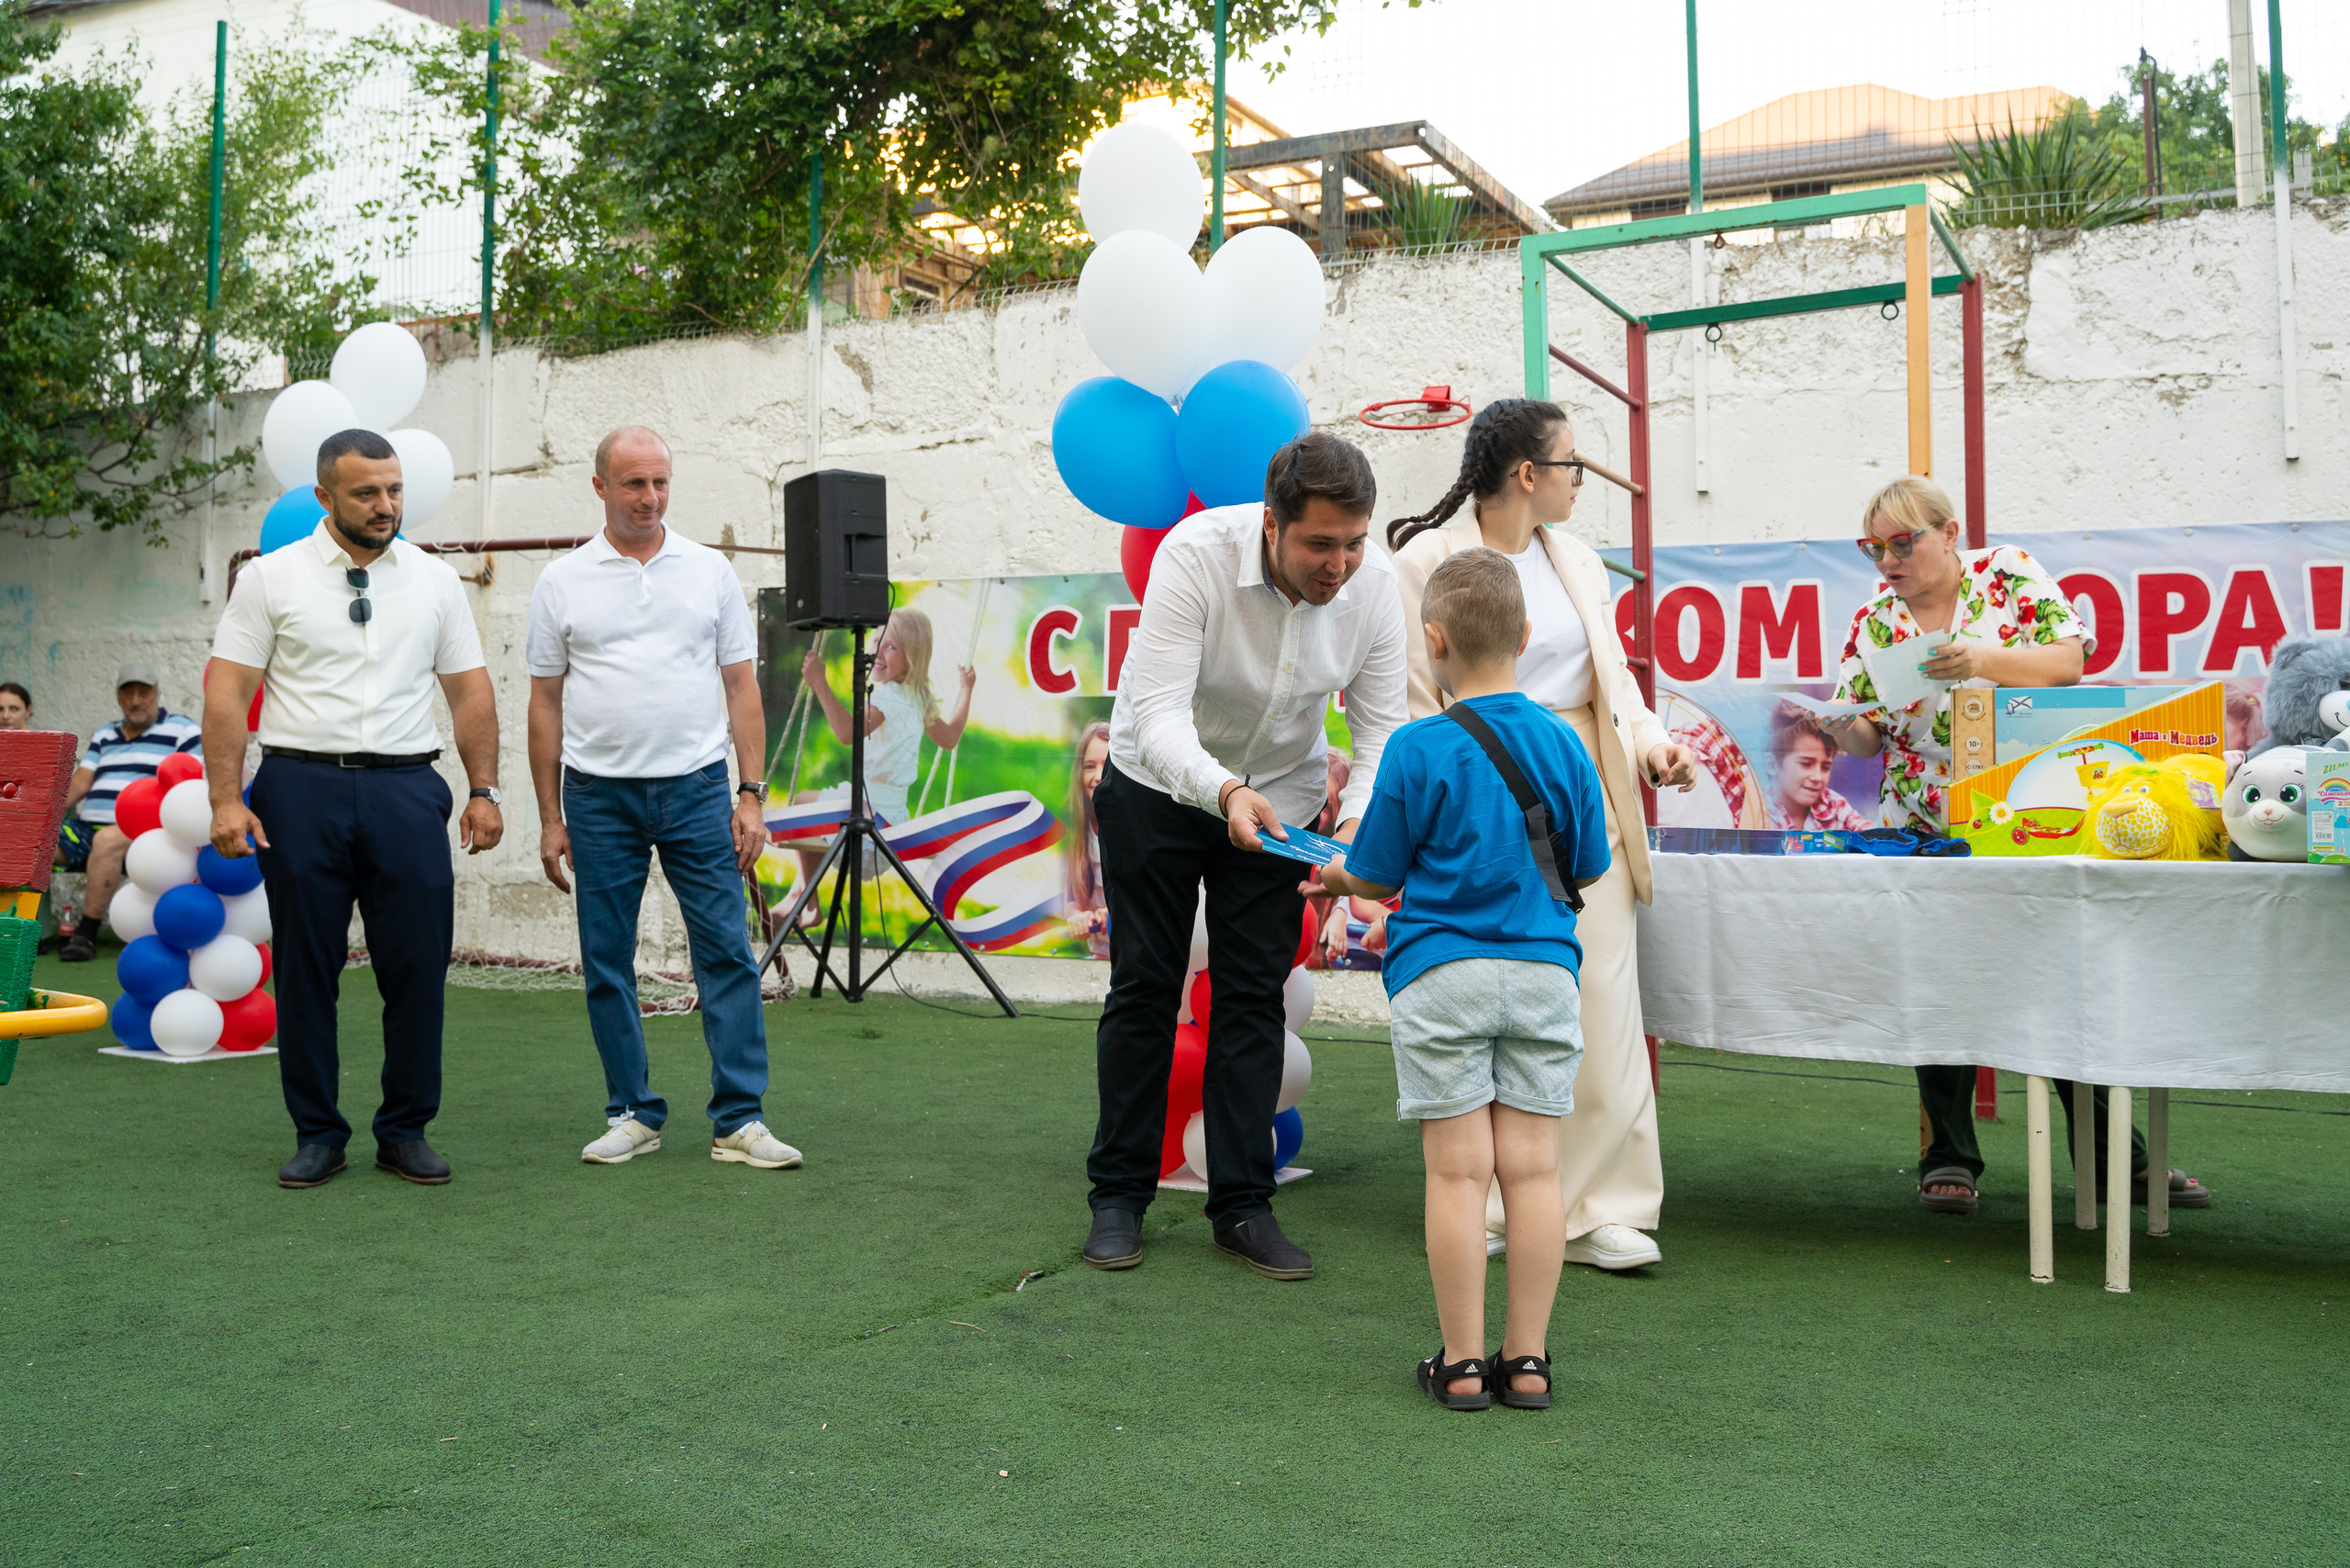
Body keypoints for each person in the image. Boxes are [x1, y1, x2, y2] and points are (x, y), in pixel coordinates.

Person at [1822, 475, 2210, 1215]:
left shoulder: (2008, 574)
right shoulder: (1875, 621)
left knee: (2065, 980)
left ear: (1949, 532)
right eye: (1875, 548)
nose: (1889, 561)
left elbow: (2068, 664)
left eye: (1904, 543)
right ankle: (1949, 1157)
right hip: (1928, 825)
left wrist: (1981, 660)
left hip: (2031, 812)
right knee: (1941, 982)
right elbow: (1869, 732)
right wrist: (1847, 730)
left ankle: (2113, 1159)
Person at [1081, 431, 1408, 1282]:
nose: (1339, 564)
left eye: (1353, 542)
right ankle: (1118, 1198)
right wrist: (1223, 794)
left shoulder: (1374, 590)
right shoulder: (1193, 555)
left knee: (1253, 996)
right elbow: (1153, 717)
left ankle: (1241, 1208)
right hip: (1156, 783)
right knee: (1146, 987)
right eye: (1318, 544)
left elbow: (1378, 734)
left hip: (1286, 799)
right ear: (1271, 525)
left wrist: (1360, 834)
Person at [1389, 399, 1697, 1273]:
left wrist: (1652, 747)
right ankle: (1489, 1199)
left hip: (1578, 786)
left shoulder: (1579, 562)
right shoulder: (1426, 560)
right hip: (1470, 802)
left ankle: (1611, 1204)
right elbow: (1414, 695)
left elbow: (1617, 686)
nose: (1579, 479)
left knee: (1598, 993)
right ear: (1529, 474)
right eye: (1572, 464)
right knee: (1473, 994)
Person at [1319, 546, 1609, 1411]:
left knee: (1455, 1176)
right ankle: (1528, 1362)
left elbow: (1373, 876)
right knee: (1533, 1171)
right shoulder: (1564, 741)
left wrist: (1335, 878)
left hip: (1442, 973)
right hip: (1543, 976)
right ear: (1524, 635)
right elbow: (1587, 866)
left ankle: (1461, 1364)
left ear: (1433, 639)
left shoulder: (1414, 747)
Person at [203, 429, 504, 1191]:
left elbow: (469, 690)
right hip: (299, 788)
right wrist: (227, 798)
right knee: (307, 967)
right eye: (367, 492)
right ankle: (318, 1134)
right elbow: (228, 691)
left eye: (394, 490)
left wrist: (483, 788)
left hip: (407, 790)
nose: (386, 505)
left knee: (417, 965)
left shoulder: (434, 580)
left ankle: (405, 1130)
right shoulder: (271, 579)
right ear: (324, 496)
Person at [526, 427, 800, 1170]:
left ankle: (739, 1120)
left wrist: (751, 795)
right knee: (606, 959)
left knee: (727, 952)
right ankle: (632, 1113)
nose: (650, 499)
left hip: (699, 790)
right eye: (634, 485)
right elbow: (544, 703)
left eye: (661, 483)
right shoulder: (562, 582)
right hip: (596, 797)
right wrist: (550, 815)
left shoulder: (709, 572)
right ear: (600, 487)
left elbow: (742, 688)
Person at [793, 607, 975, 910]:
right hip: (891, 837)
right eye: (876, 641)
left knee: (800, 803)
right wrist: (966, 690)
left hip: (862, 834)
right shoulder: (918, 699)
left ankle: (807, 903)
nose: (877, 651)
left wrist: (819, 682)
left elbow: (846, 733)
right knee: (811, 804)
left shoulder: (887, 699)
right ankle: (800, 898)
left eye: (891, 646)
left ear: (912, 657)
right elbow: (950, 738)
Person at [56, 664, 204, 962]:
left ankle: (86, 934)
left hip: (146, 831)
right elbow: (82, 780)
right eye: (129, 693)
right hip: (86, 829)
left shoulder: (183, 730)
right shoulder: (104, 734)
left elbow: (191, 784)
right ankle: (19, 927)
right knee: (27, 844)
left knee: (108, 840)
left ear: (157, 694)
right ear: (119, 698)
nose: (137, 700)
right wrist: (38, 817)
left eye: (144, 692)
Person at [1764, 704, 1873, 832]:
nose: (1817, 777)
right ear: (1772, 764)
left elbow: (1870, 836)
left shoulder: (1832, 805)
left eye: (1825, 767)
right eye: (1806, 764)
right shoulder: (1753, 806)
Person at [1064, 719, 1111, 958]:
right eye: (1089, 766)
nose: (1098, 776)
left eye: (1107, 766)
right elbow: (1072, 896)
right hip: (1102, 953)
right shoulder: (1077, 831)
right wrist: (1076, 916)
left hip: (1141, 959)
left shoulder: (1137, 827)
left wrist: (1117, 912)